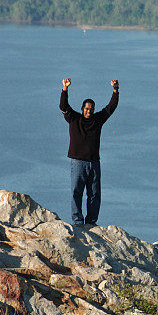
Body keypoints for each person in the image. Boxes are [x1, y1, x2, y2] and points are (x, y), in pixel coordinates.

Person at [60, 77, 119, 227]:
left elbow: (110, 108)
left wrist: (115, 90)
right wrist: (65, 89)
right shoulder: (73, 119)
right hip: (78, 162)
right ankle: (78, 221)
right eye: (87, 108)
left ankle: (91, 222)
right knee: (76, 192)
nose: (89, 111)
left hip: (94, 162)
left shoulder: (97, 120)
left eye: (91, 109)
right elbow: (63, 106)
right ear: (82, 109)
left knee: (94, 194)